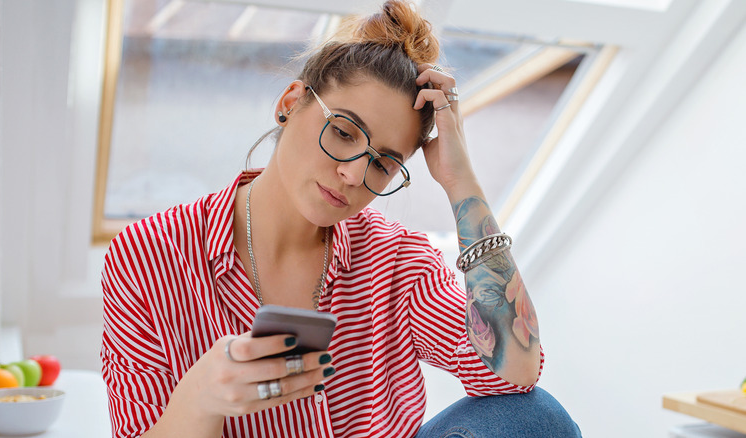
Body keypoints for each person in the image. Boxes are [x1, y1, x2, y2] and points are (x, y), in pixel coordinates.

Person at [100, 1, 581, 437]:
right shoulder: (146, 256)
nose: (353, 174)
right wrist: (201, 398)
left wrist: (462, 183)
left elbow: (515, 372)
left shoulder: (397, 259)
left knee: (537, 417)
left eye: (382, 163)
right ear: (290, 104)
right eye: (345, 132)